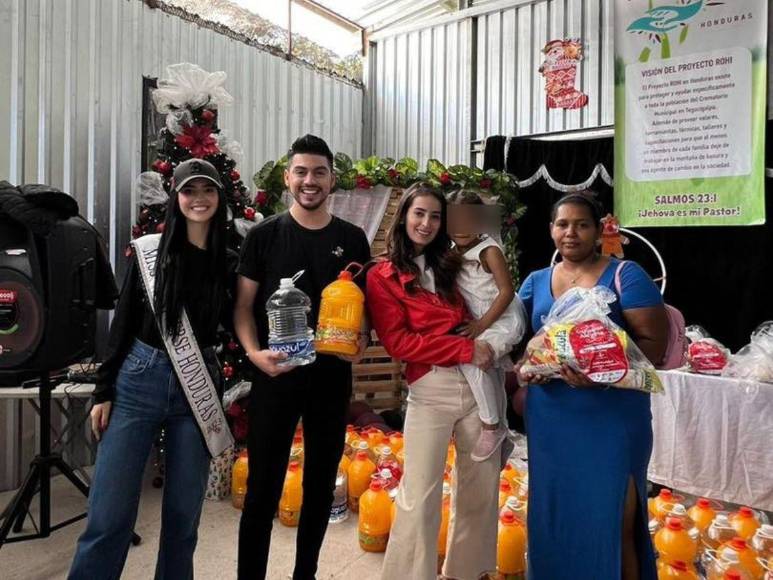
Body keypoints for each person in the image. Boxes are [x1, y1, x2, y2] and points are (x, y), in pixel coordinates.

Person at [69, 158, 235, 580]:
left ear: (219, 196)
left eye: (208, 190)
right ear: (175, 198)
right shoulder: (150, 252)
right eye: (189, 191)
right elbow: (122, 324)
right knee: (109, 513)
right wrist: (103, 390)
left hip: (196, 391)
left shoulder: (229, 260)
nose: (199, 199)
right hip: (138, 381)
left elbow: (240, 323)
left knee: (183, 518)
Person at [234, 134, 371, 580]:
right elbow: (243, 308)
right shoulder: (264, 235)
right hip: (275, 376)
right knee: (262, 488)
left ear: (332, 179)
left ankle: (305, 574)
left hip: (330, 379)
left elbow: (362, 309)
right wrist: (254, 354)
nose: (309, 181)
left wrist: (361, 342)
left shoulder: (352, 239)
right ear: (287, 178)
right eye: (301, 172)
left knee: (319, 487)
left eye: (319, 172)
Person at [517, 191, 668, 580]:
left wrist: (600, 371)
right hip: (551, 418)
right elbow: (522, 344)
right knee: (556, 517)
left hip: (612, 417)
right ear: (551, 229)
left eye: (582, 224)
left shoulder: (625, 275)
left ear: (599, 231)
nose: (571, 233)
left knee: (612, 521)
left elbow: (654, 346)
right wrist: (530, 367)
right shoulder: (536, 281)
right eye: (562, 224)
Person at [366, 183, 499, 580]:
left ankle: (467, 572)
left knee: (480, 488)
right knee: (420, 494)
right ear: (403, 216)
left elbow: (482, 305)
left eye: (435, 216)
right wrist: (464, 349)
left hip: (478, 385)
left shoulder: (452, 264)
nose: (426, 223)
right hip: (431, 388)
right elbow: (398, 342)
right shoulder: (383, 275)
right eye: (419, 213)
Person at [447, 190, 527, 461]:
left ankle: (491, 426)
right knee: (491, 372)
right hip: (482, 320)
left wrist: (481, 324)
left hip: (502, 318)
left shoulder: (488, 250)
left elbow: (506, 291)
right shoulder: (452, 252)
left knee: (472, 358)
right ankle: (503, 435)